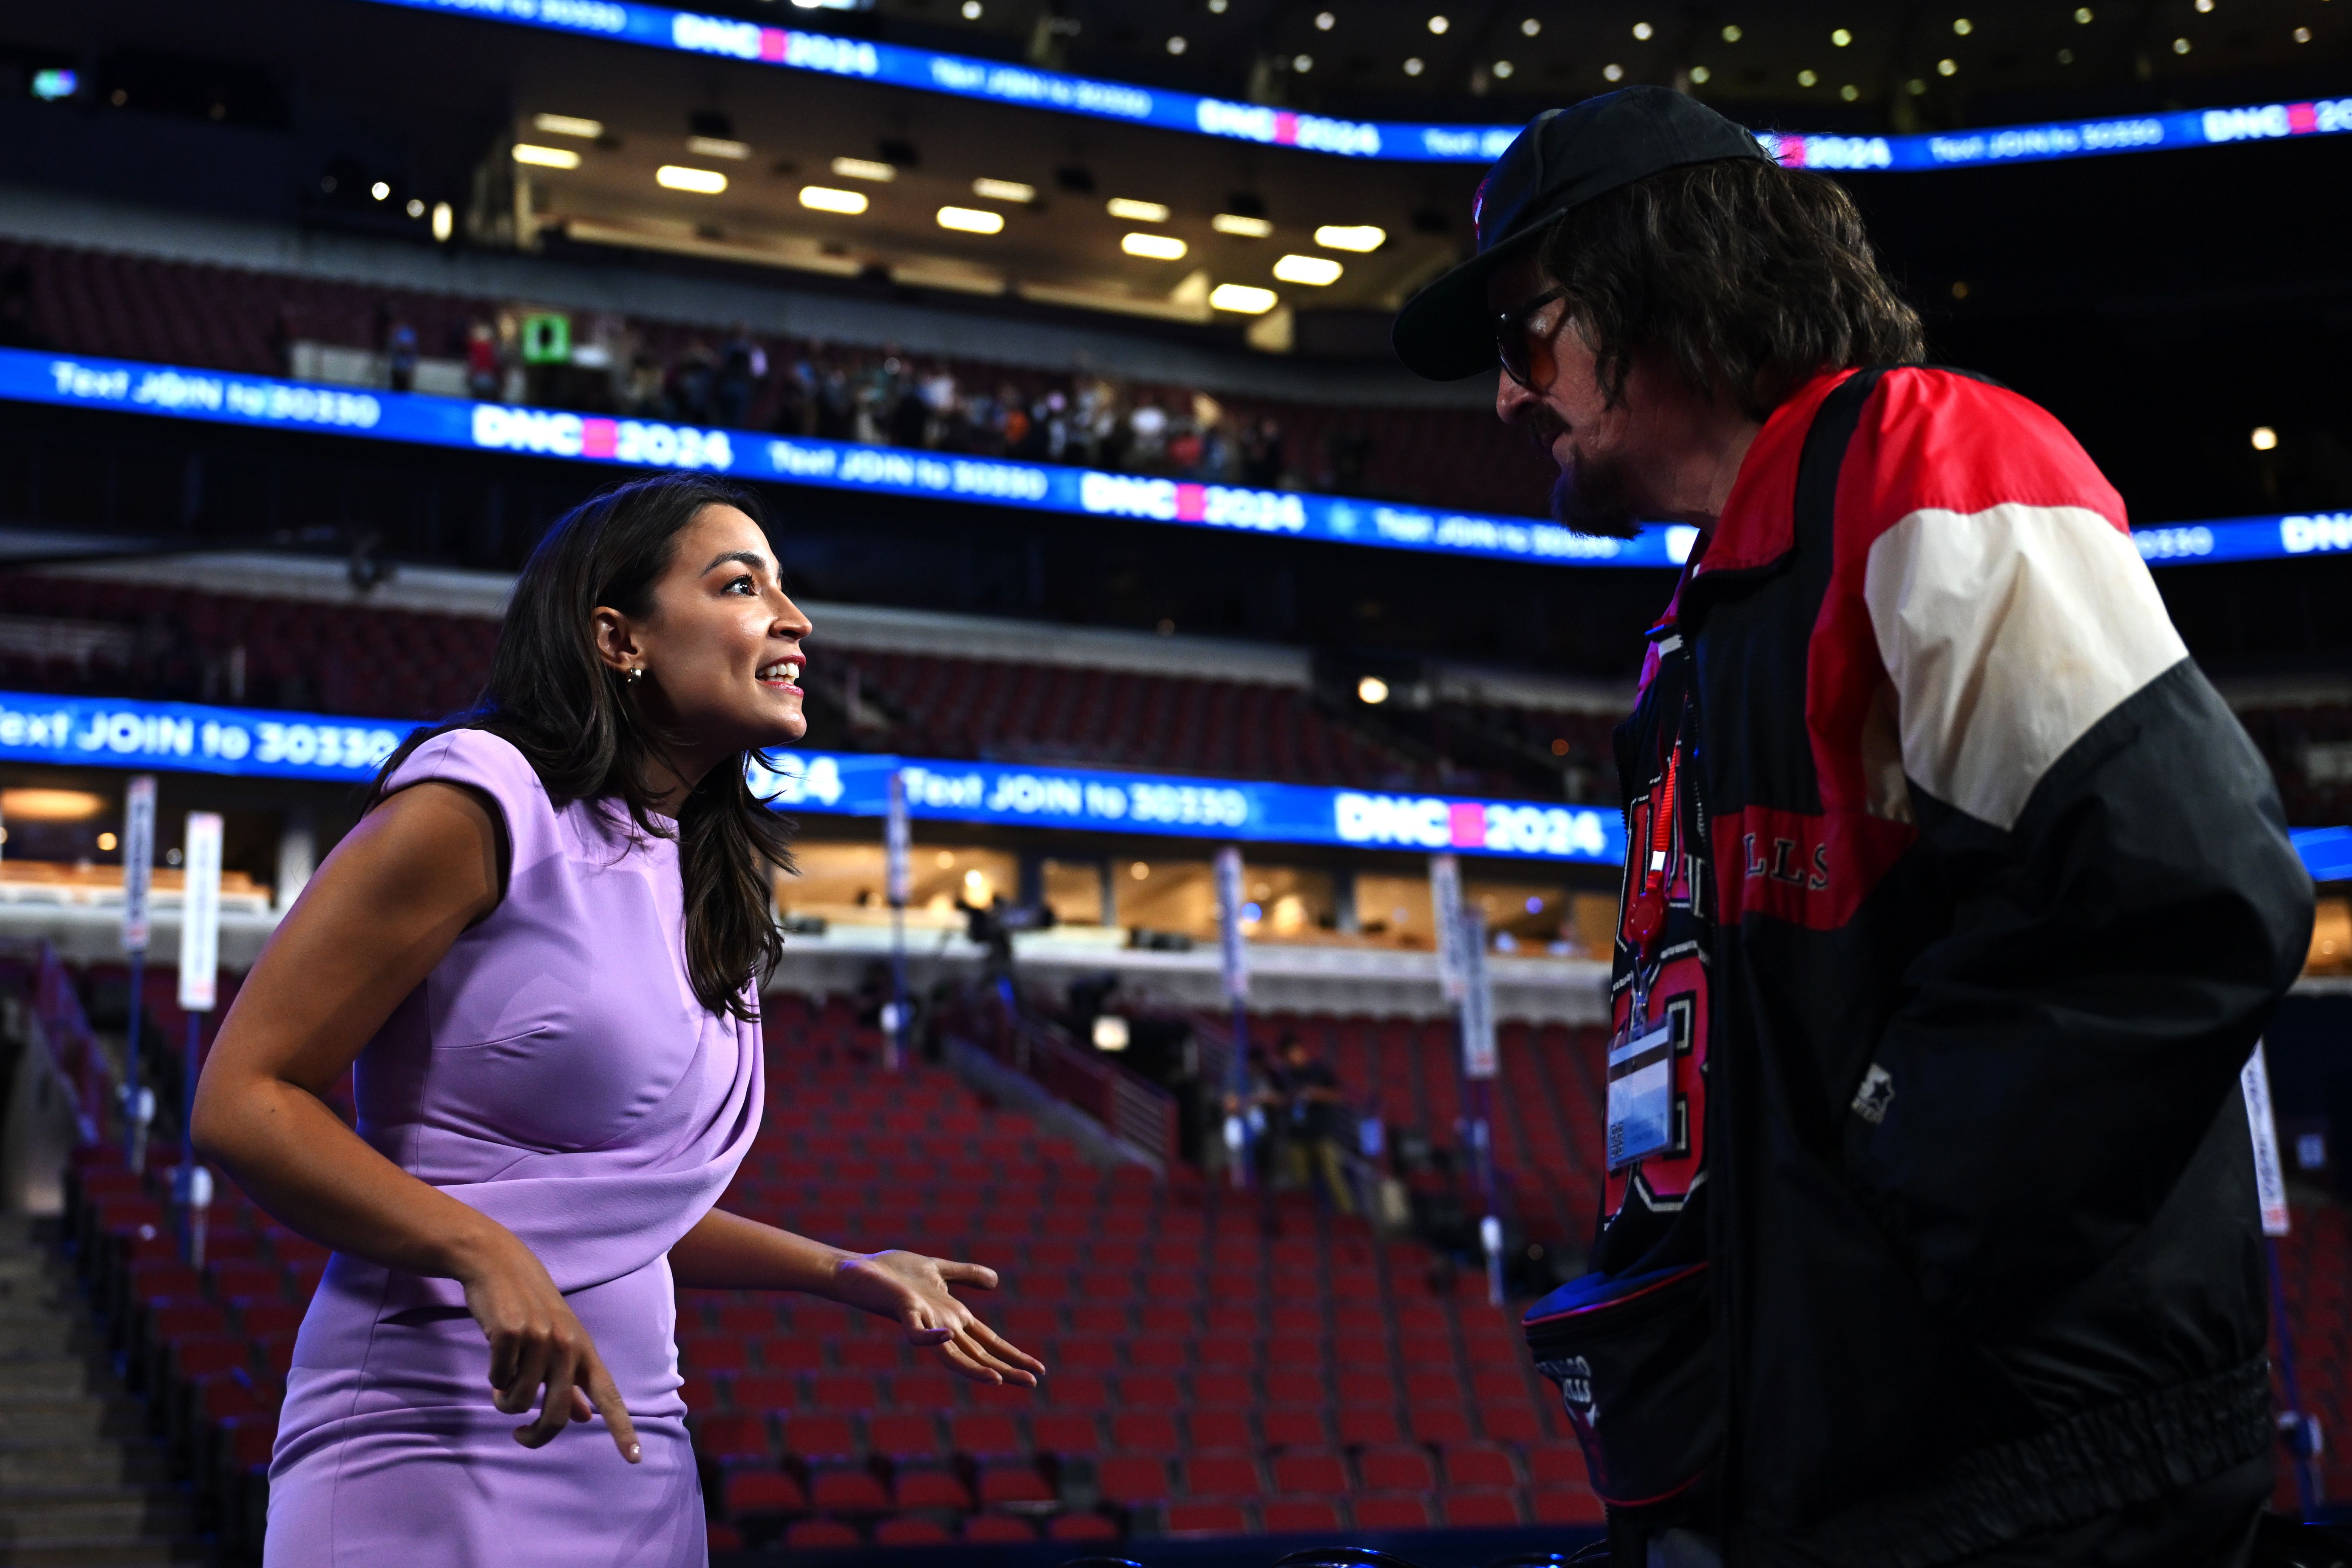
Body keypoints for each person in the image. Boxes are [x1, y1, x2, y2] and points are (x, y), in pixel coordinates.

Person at [1393, 88, 2312, 1568]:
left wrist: (1885, 1216)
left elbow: (2188, 887)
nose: (1507, 397)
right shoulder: (1713, 610)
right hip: (1853, 1483)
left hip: (2022, 1482)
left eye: (1523, 335)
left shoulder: (1928, 466)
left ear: (1658, 283)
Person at [190, 473, 1042, 1566]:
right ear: (617, 637)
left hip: (636, 1445)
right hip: (430, 1429)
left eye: (785, 589)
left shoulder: (700, 874)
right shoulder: (479, 797)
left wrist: (842, 1271)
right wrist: (476, 1247)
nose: (795, 619)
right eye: (742, 585)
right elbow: (242, 1101)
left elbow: (606, 1213)